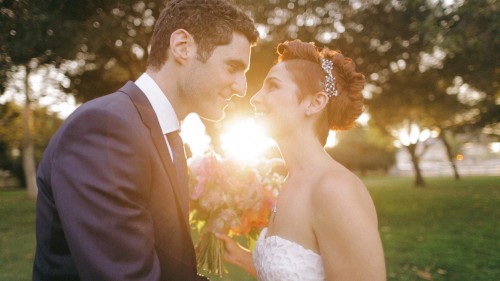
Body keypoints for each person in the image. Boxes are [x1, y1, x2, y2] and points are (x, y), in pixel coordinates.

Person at [32, 0, 258, 280]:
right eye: (233, 67)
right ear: (182, 47)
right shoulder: (105, 129)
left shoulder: (166, 136)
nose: (241, 88)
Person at [217, 40, 386, 281]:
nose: (255, 98)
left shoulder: (336, 190)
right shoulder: (291, 182)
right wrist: (245, 258)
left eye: (272, 86)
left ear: (314, 103)